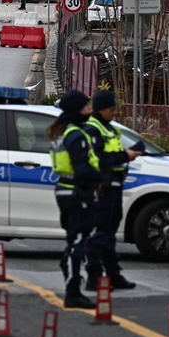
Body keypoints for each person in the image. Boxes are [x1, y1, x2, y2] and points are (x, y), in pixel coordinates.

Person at [47, 90, 102, 309]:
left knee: (74, 238)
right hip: (77, 192)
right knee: (78, 240)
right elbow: (82, 169)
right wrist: (100, 176)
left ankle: (72, 279)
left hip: (64, 189)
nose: (90, 110)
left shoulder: (60, 132)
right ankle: (73, 289)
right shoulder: (76, 135)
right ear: (77, 110)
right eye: (86, 106)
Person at [83, 90, 142, 291]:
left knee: (109, 231)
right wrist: (126, 156)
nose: (115, 112)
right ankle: (93, 277)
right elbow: (100, 158)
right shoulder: (93, 129)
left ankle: (113, 274)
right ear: (100, 109)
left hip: (114, 183)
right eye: (111, 109)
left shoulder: (107, 127)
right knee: (101, 232)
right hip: (101, 186)